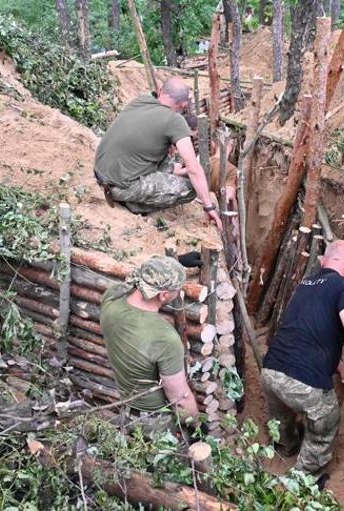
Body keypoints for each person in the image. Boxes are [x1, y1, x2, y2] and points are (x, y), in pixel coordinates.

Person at [261, 240, 344, 482]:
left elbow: (310, 327)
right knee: (326, 424)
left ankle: (285, 447)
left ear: (323, 261)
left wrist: (337, 361)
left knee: (280, 418)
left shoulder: (305, 284)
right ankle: (303, 479)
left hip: (270, 372)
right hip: (304, 384)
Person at [94, 77, 223, 231]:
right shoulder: (175, 120)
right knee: (191, 190)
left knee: (164, 155)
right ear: (184, 105)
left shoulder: (140, 101)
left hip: (101, 174)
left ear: (161, 91)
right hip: (121, 186)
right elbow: (193, 168)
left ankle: (131, 193)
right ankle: (135, 206)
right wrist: (209, 207)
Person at [99, 255, 199, 434]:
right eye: (178, 289)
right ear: (163, 295)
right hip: (154, 421)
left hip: (126, 407)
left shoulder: (111, 298)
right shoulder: (164, 338)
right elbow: (179, 398)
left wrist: (174, 262)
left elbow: (133, 278)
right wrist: (196, 426)